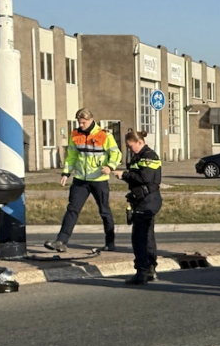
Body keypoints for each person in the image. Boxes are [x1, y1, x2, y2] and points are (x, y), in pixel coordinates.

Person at [45, 109, 122, 253]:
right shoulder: (75, 134)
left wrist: (110, 167)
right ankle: (61, 241)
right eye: (79, 122)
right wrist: (66, 173)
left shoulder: (104, 135)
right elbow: (71, 156)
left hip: (99, 179)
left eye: (83, 122)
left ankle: (110, 243)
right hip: (80, 179)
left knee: (104, 211)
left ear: (91, 119)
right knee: (72, 209)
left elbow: (115, 153)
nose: (81, 125)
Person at [113, 130, 162, 285]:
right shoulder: (138, 156)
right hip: (142, 199)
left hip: (147, 200)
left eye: (131, 145)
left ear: (139, 142)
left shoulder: (148, 156)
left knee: (140, 237)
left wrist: (124, 175)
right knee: (147, 235)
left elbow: (145, 178)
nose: (129, 149)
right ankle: (150, 269)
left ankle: (142, 270)